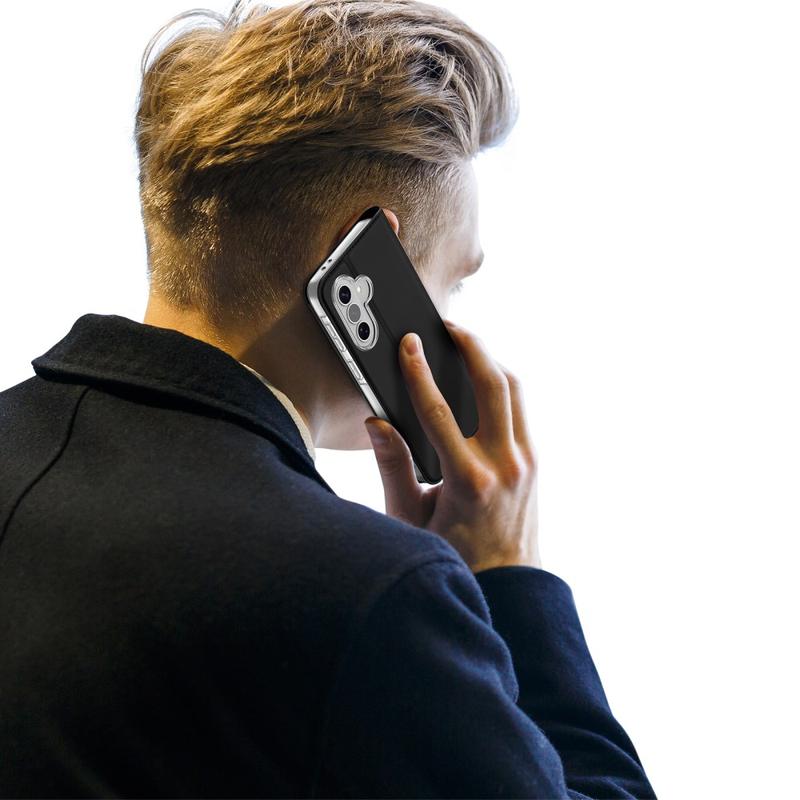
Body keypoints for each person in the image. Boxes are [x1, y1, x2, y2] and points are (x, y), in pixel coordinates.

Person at [0, 1, 655, 797]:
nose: (453, 326)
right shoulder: (371, 593)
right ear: (364, 277)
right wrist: (509, 577)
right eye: (454, 282)